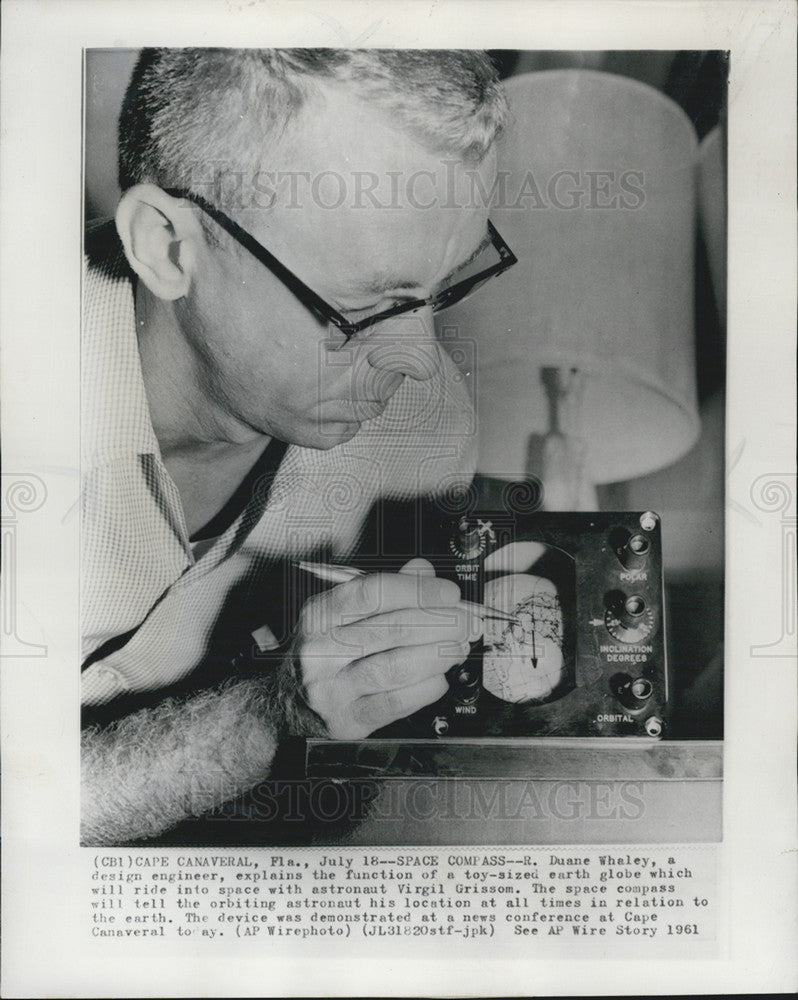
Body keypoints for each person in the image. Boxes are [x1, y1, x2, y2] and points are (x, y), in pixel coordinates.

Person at [81, 48, 511, 845]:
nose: (417, 360)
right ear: (170, 247)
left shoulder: (424, 425)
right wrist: (267, 714)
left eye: (446, 287)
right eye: (362, 309)